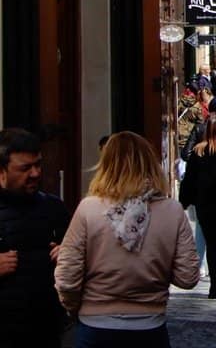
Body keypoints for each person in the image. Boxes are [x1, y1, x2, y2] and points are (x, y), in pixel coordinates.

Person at [55, 132, 199, 347]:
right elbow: (187, 277)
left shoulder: (88, 209)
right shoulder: (172, 211)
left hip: (95, 325)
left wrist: (75, 308)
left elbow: (67, 276)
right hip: (149, 326)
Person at [0, 128, 71, 348]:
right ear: (2, 170)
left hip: (47, 329)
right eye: (25, 168)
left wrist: (69, 255)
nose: (35, 173)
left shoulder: (54, 208)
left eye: (38, 165)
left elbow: (83, 261)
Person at [180, 116, 216, 298]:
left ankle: (214, 285)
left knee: (212, 243)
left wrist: (184, 201)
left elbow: (189, 180)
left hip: (205, 204)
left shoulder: (198, 152)